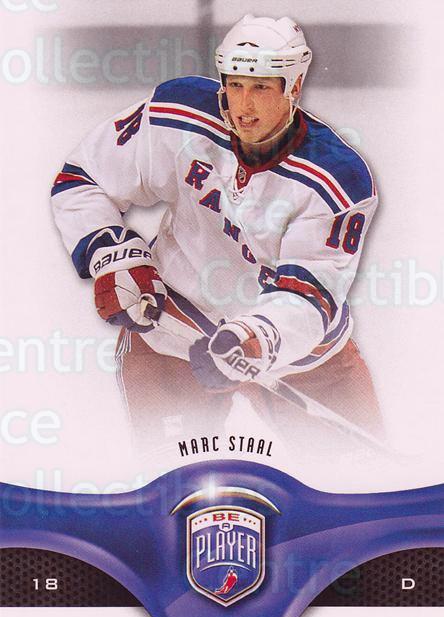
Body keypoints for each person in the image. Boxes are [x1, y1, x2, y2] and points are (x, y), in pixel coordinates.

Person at [51, 15, 382, 455]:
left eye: (261, 87)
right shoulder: (177, 114)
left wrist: (256, 337)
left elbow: (309, 295)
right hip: (173, 333)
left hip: (301, 355)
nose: (244, 104)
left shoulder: (336, 178)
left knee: (360, 482)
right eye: (235, 84)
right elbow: (82, 178)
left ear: (294, 87)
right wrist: (112, 255)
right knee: (171, 484)